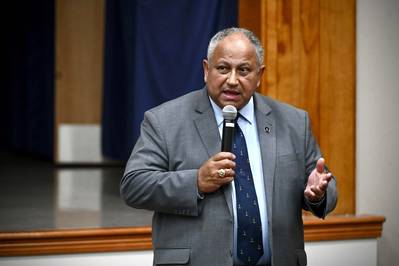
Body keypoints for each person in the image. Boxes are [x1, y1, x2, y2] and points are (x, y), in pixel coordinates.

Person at [121, 27, 337, 266]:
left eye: (243, 70)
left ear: (259, 75)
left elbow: (324, 183)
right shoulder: (164, 121)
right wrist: (196, 182)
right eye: (223, 68)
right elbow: (134, 185)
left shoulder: (294, 122)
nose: (232, 80)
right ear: (206, 70)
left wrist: (318, 193)